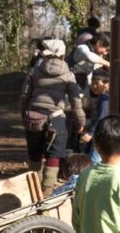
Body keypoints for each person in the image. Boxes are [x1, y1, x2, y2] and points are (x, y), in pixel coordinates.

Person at [22, 40, 79, 179]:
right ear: (63, 54)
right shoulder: (69, 74)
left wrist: (24, 114)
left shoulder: (34, 71)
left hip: (34, 117)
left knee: (34, 154)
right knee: (54, 155)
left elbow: (24, 95)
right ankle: (47, 192)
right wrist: (81, 121)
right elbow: (76, 101)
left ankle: (33, 190)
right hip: (57, 117)